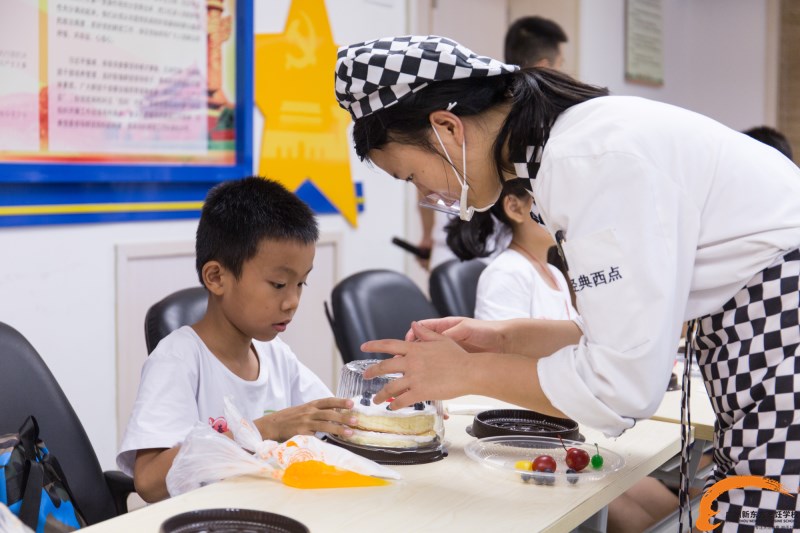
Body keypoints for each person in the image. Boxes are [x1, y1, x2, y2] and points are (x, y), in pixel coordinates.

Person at [333, 35, 800, 530]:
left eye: (411, 176)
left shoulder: (587, 161)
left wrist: (465, 374)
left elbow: (620, 387)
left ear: (447, 128)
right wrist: (504, 340)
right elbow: (624, 339)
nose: (426, 192)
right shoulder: (580, 143)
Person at [117, 177, 356, 502]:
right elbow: (148, 481)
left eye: (301, 284)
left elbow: (331, 419)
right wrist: (263, 429)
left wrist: (392, 414)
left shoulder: (276, 355)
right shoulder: (179, 359)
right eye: (278, 284)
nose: (292, 302)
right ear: (216, 277)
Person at [415, 16, 569, 271]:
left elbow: (423, 175)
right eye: (561, 63)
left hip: (456, 253)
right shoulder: (539, 124)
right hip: (498, 257)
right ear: (545, 65)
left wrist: (427, 234)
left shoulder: (474, 106)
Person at [444, 179, 577, 321]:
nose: (565, 213)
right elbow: (502, 342)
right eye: (552, 200)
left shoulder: (555, 274)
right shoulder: (506, 273)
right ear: (515, 208)